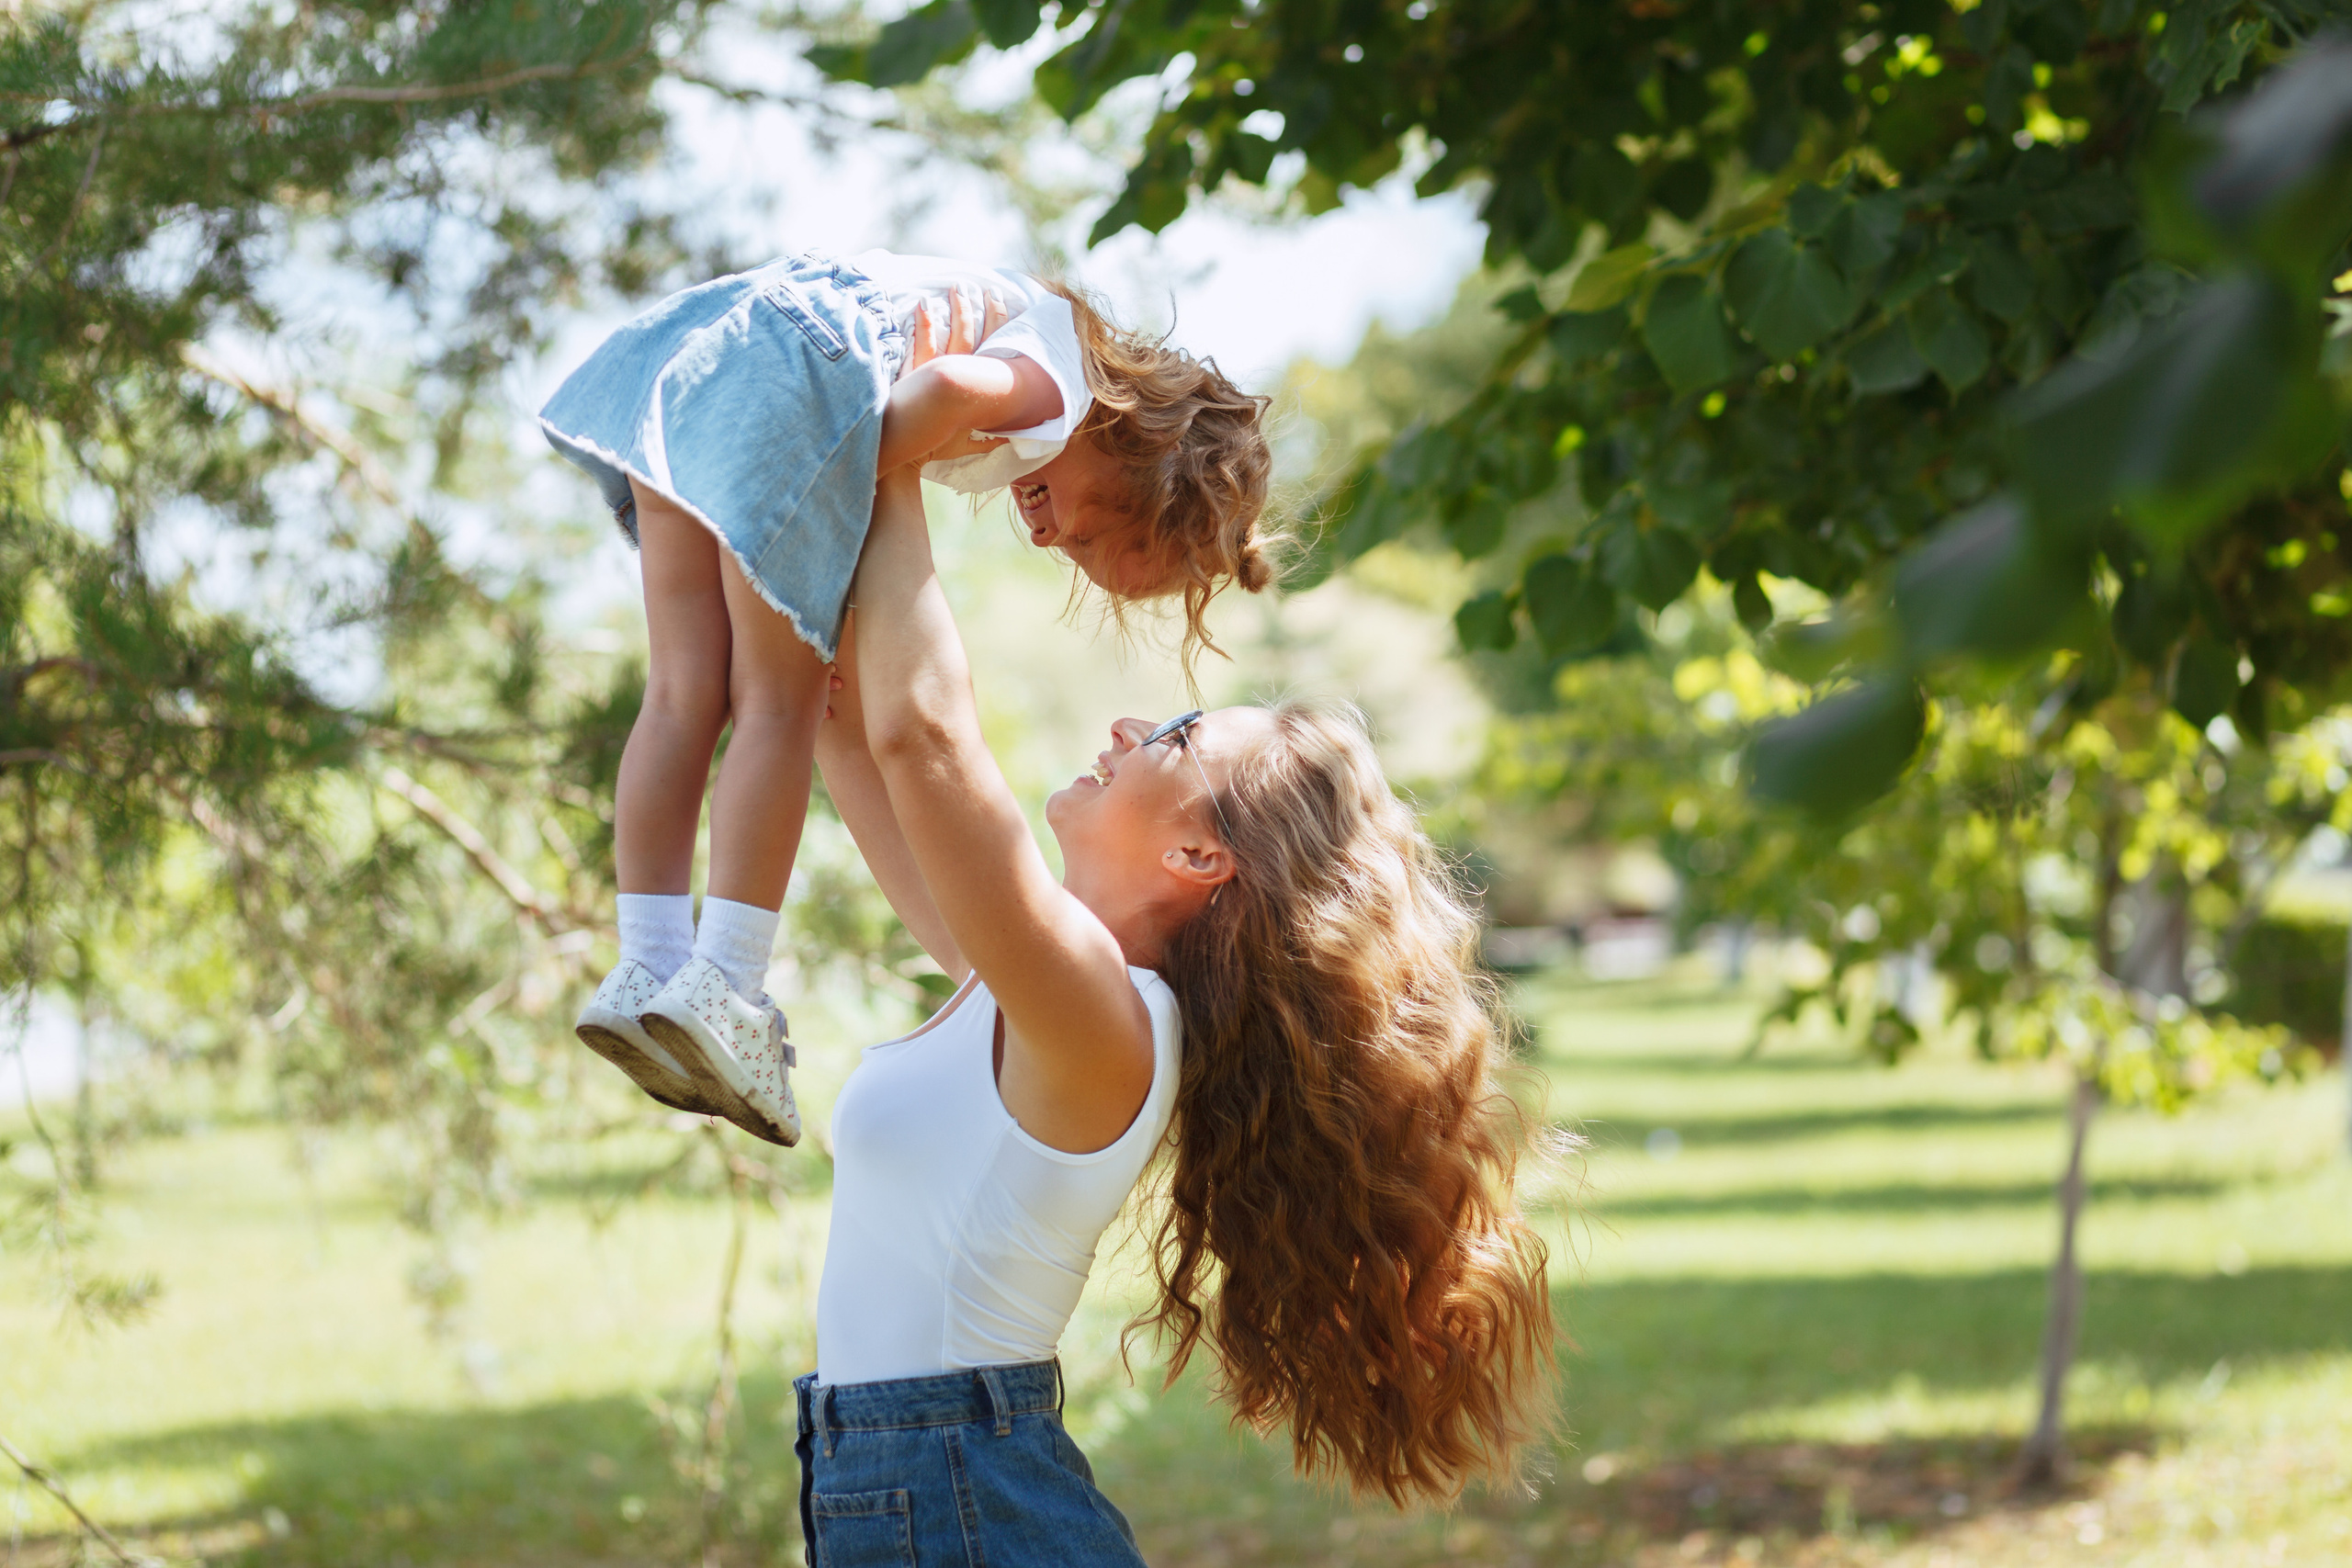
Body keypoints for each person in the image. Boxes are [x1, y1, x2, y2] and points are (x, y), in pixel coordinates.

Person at [783, 464, 1560, 1563]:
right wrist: (799, 511)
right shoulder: (1035, 994)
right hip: (916, 1479)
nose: (1127, 725)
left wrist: (895, 468)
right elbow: (850, 731)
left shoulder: (1102, 1019)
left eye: (1179, 732)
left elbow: (925, 741)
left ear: (1200, 855)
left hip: (952, 1488)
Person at [539, 250, 1272, 1145]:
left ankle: (646, 961)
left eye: (1074, 554)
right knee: (778, 705)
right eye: (1087, 538)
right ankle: (725, 979)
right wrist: (821, 501)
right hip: (788, 385)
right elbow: (946, 393)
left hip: (703, 377)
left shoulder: (1043, 358)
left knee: (682, 692)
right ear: (1144, 461)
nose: (1049, 540)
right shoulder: (1061, 385)